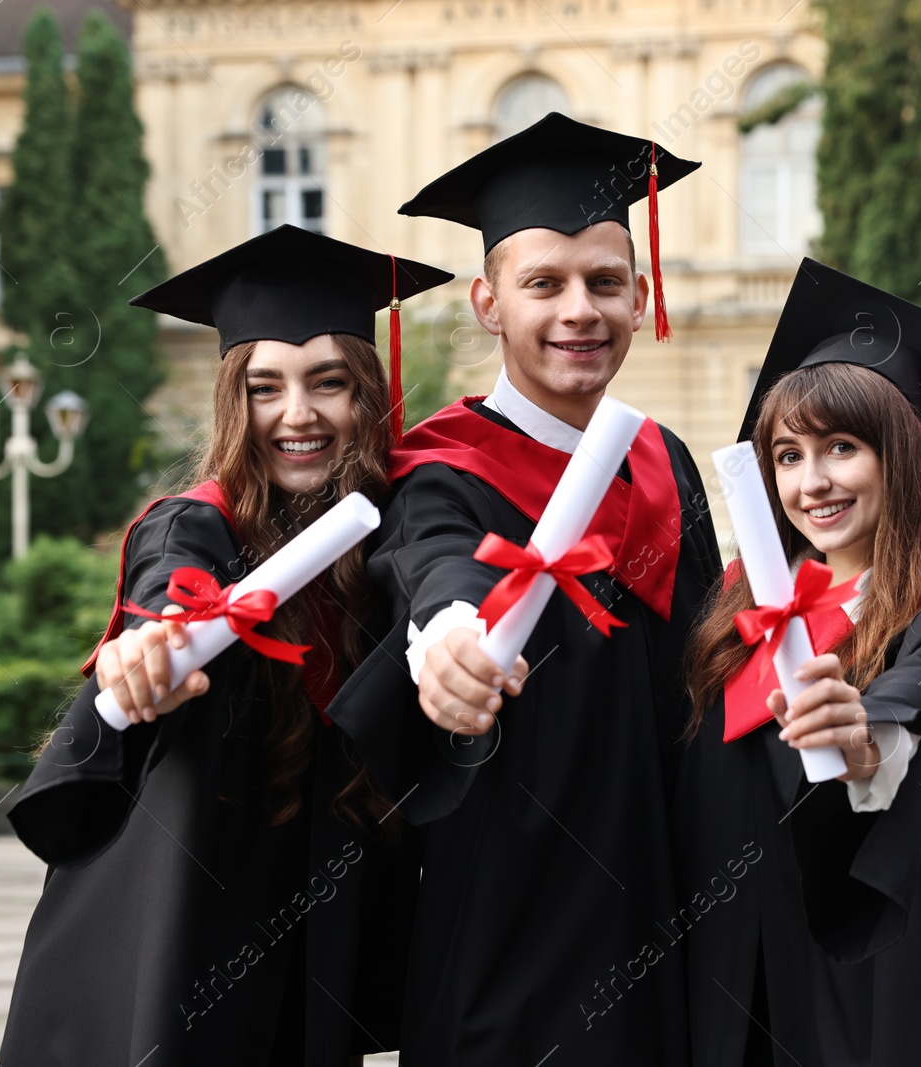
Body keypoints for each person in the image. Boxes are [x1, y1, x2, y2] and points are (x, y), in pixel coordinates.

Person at [321, 113, 722, 1064]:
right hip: (508, 937)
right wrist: (450, 642)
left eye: (604, 282)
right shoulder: (440, 472)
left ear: (640, 296)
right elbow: (437, 571)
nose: (579, 309)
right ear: (488, 303)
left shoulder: (663, 462)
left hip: (665, 917)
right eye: (544, 283)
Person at [0, 224, 452, 1067]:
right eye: (264, 387)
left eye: (328, 383)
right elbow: (168, 590)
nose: (298, 414)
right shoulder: (199, 522)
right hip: (173, 924)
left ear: (367, 393)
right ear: (232, 402)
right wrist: (151, 644)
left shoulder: (390, 544)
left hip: (308, 926)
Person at [676, 258, 921, 1066]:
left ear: (901, 457)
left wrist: (862, 733)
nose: (813, 481)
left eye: (842, 447)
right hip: (731, 984)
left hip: (874, 989)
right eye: (789, 454)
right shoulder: (737, 605)